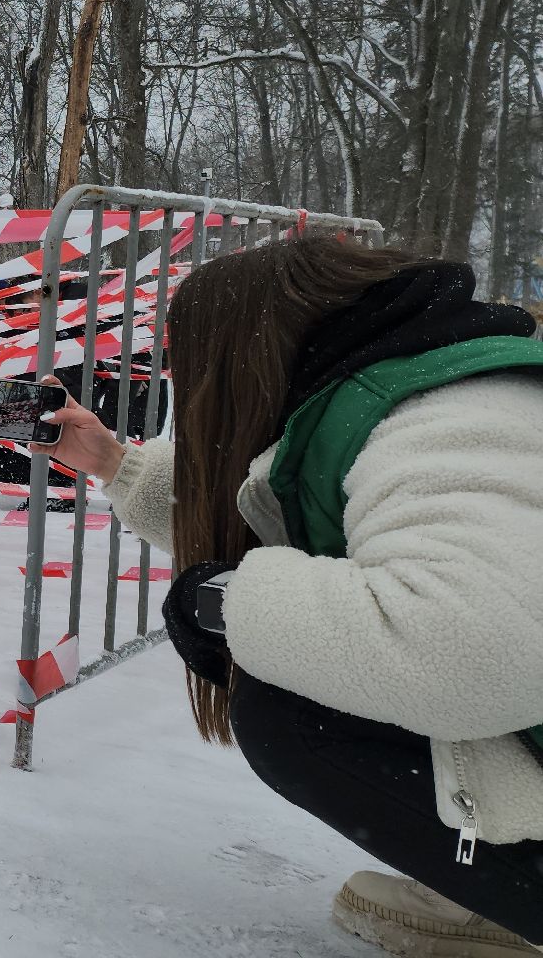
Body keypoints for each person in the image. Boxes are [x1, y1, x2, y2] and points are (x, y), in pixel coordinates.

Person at [44, 236, 543, 953]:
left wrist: (224, 603)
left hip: (505, 682)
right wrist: (114, 463)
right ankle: (490, 877)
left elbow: (470, 651)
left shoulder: (447, 422)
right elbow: (275, 503)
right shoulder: (415, 381)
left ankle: (505, 888)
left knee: (290, 708)